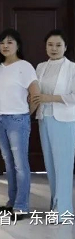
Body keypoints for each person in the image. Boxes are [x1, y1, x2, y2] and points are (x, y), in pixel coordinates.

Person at [0, 28, 40, 220]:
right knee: (9, 164)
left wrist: (26, 115)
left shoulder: (25, 66)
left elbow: (35, 95)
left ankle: (22, 206)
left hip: (17, 120)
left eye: (10, 42)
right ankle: (11, 202)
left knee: (20, 164)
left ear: (18, 45)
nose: (5, 45)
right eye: (2, 42)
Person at [32, 29, 75, 220]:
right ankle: (55, 205)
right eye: (50, 45)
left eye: (58, 45)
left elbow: (73, 96)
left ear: (65, 47)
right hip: (44, 119)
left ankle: (64, 210)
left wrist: (49, 98)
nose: (54, 48)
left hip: (64, 121)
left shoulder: (72, 68)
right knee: (50, 164)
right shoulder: (41, 67)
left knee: (63, 166)